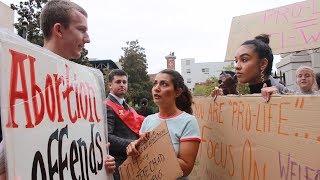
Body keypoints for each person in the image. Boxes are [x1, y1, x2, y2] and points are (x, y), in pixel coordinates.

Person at [0, 0, 116, 177]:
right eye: (81, 29)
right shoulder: (16, 79)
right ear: (59, 30)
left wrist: (97, 161)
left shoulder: (83, 88)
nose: (88, 38)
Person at [126, 69, 201, 179]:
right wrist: (133, 149)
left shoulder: (188, 121)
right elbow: (140, 162)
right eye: (155, 83)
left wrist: (153, 150)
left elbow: (186, 168)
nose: (156, 88)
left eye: (164, 84)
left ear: (178, 92)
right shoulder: (148, 120)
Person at [106, 69, 144, 180]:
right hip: (118, 165)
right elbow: (107, 137)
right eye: (118, 82)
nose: (122, 85)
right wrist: (132, 143)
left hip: (134, 161)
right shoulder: (107, 106)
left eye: (124, 82)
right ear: (110, 85)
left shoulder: (128, 107)